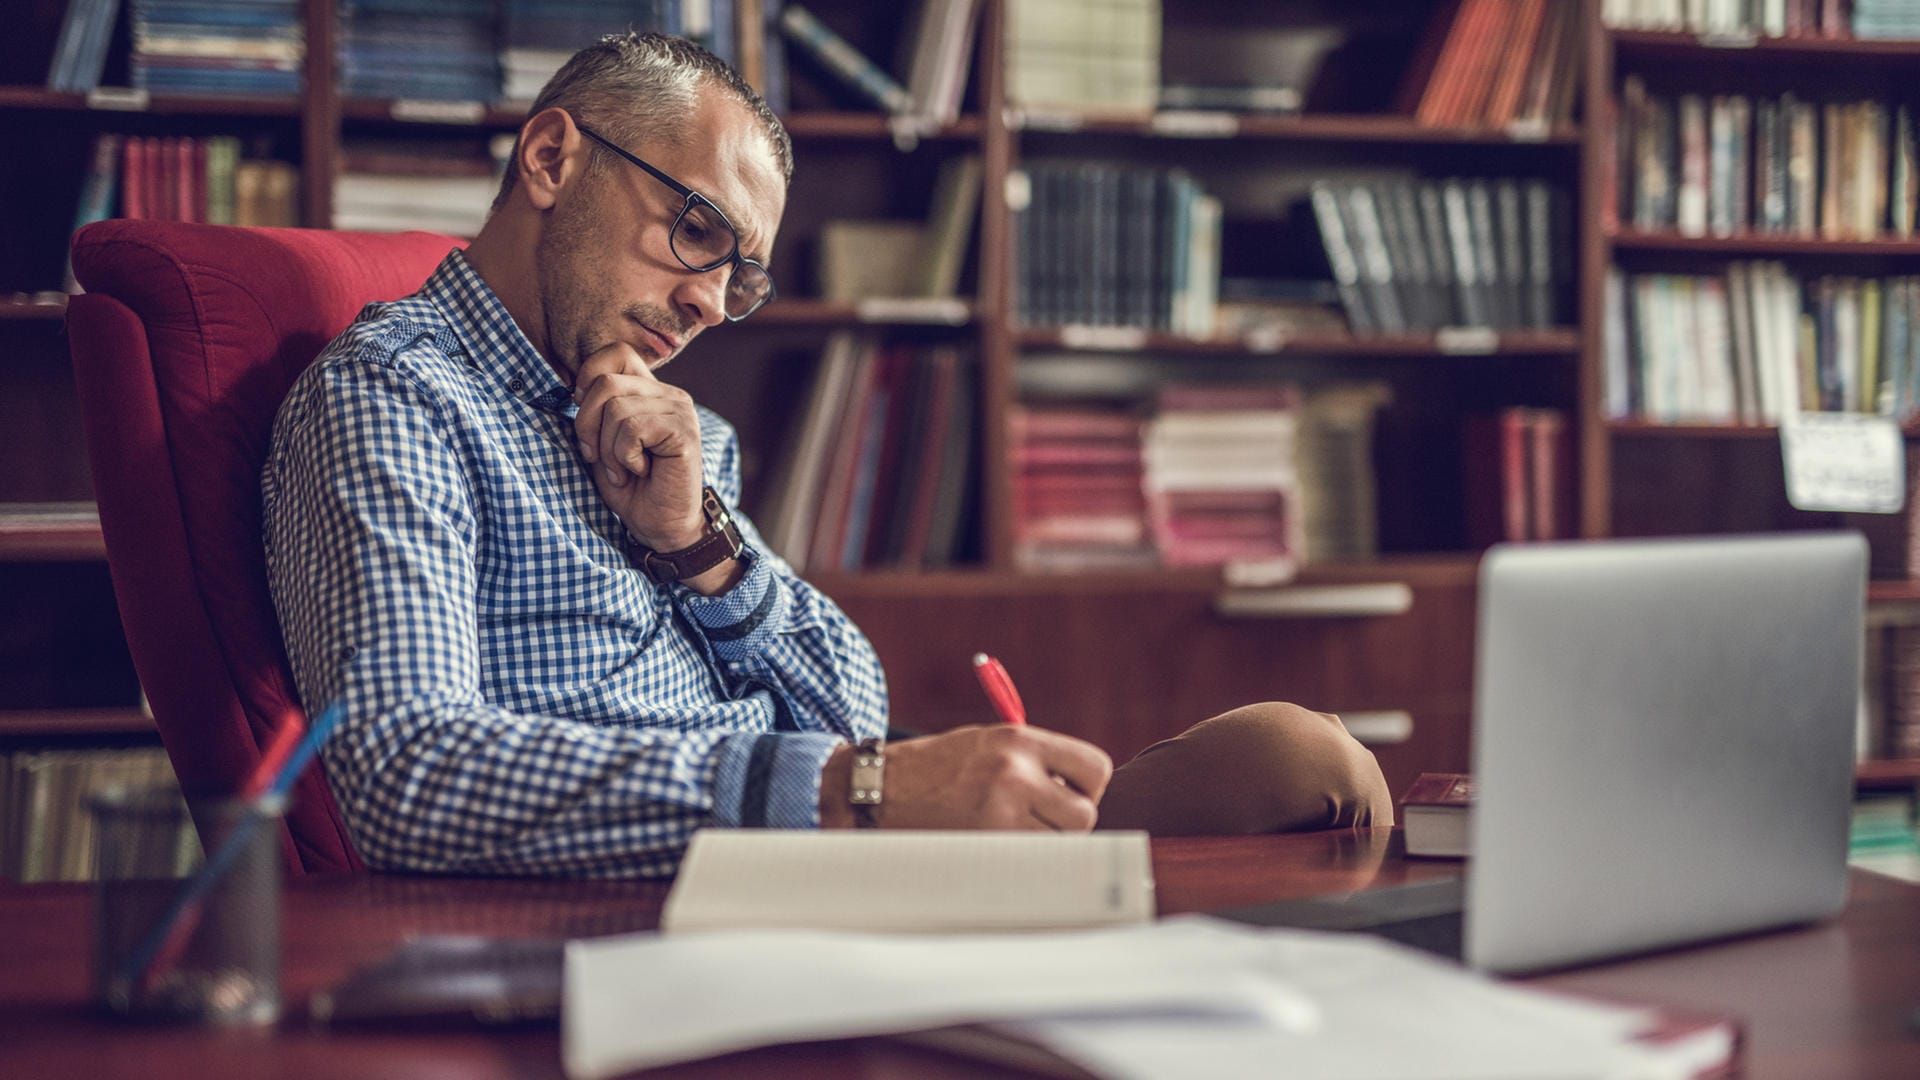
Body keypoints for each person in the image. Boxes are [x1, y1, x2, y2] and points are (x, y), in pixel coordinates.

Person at [263, 32, 1390, 878]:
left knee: (1306, 766)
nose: (707, 301)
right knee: (1298, 789)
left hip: (835, 846)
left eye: (739, 276)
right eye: (695, 229)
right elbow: (406, 777)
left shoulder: (658, 427)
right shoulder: (398, 397)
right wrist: (853, 792)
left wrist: (698, 549)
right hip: (701, 893)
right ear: (555, 157)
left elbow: (851, 694)